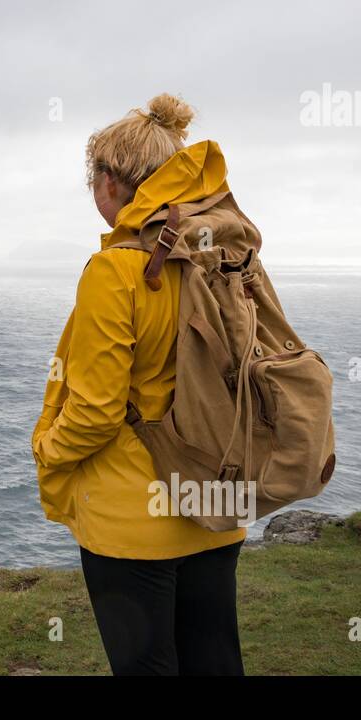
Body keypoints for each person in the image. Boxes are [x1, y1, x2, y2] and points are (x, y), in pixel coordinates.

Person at [31, 93, 247, 675]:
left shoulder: (115, 271)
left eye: (92, 179)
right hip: (216, 499)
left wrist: (46, 448)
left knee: (146, 667)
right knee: (215, 662)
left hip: (133, 520)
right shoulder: (217, 256)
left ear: (109, 181)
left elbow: (97, 412)